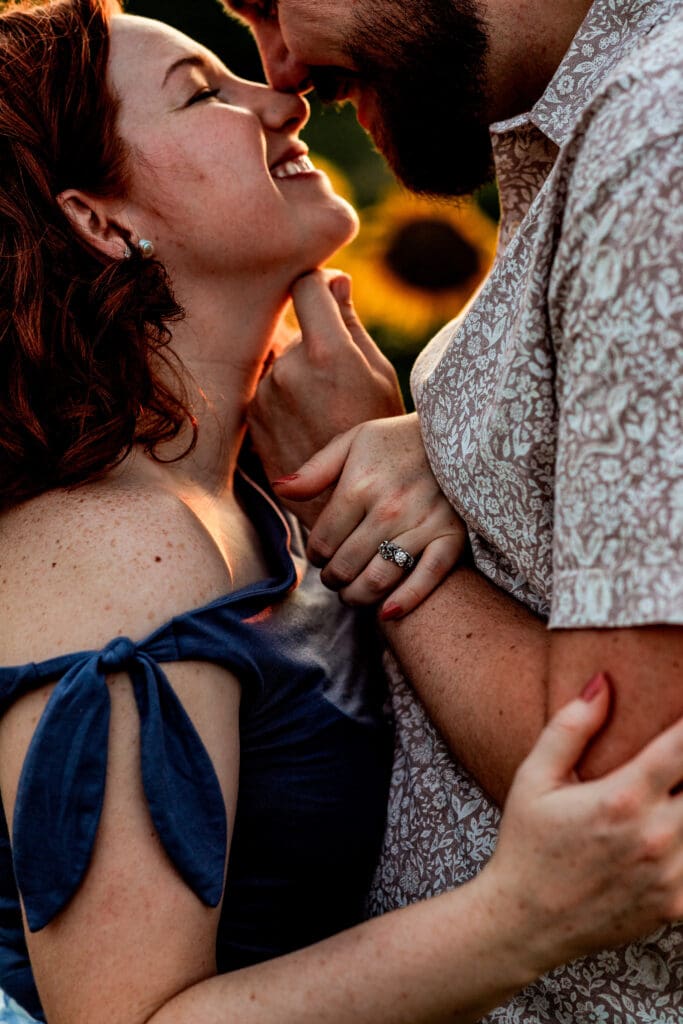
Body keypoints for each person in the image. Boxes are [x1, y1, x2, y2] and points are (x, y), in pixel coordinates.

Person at [1, 2, 683, 1023]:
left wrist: (414, 445)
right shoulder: (113, 539)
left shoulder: (245, 491)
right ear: (100, 221)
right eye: (203, 92)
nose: (278, 95)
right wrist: (520, 919)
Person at [221, 0, 683, 1019]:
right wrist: (426, 449)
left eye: (266, 4)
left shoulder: (657, 142)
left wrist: (373, 529)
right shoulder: (583, 126)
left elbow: (631, 785)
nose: (282, 72)